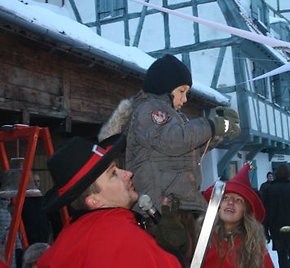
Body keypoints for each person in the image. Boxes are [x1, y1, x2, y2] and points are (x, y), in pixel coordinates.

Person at [98, 54, 240, 265]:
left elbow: (189, 150)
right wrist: (210, 125)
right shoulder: (149, 110)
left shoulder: (173, 115)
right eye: (182, 91)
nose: (184, 99)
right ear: (165, 86)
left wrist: (219, 132)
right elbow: (174, 141)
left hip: (178, 208)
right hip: (159, 211)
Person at [37, 135, 180, 267]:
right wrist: (174, 252)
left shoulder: (66, 242)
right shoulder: (124, 241)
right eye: (113, 174)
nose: (128, 174)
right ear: (94, 201)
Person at [202, 163, 274, 268]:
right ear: (219, 206)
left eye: (238, 200)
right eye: (225, 198)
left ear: (245, 211)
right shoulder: (202, 238)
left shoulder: (254, 247)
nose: (230, 202)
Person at [263, 164, 290, 268]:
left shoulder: (269, 191)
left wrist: (265, 230)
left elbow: (265, 212)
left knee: (281, 257)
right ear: (289, 175)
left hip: (277, 230)